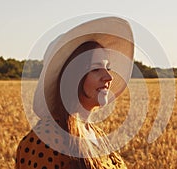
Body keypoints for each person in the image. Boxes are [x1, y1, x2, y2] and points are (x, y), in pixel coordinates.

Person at [16, 16, 134, 169]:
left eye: (108, 68)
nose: (108, 77)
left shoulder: (97, 134)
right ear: (72, 77)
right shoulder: (44, 140)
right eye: (96, 69)